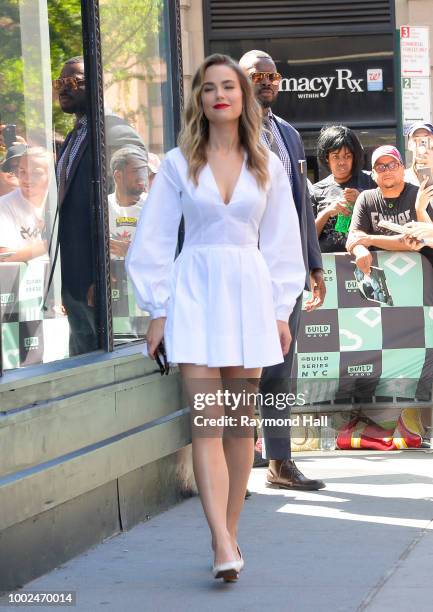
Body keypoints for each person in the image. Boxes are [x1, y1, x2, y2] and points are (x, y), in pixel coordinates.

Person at [126, 53, 305, 582]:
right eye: (209, 88)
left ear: (244, 96)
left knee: (238, 426)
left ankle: (227, 538)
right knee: (206, 422)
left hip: (249, 296)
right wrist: (157, 310)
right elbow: (153, 238)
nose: (220, 94)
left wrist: (279, 311)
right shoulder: (179, 163)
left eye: (229, 86)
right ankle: (222, 541)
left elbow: (281, 244)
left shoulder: (266, 162)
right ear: (199, 100)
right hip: (195, 295)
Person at [239, 49, 325, 491]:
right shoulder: (228, 135)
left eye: (274, 76)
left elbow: (300, 204)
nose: (269, 82)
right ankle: (236, 471)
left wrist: (313, 263)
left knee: (279, 368)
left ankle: (280, 461)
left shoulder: (288, 134)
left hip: (284, 270)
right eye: (259, 75)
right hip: (241, 268)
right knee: (240, 371)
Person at [54, 56, 146, 356]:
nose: (63, 89)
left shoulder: (115, 132)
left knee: (102, 366)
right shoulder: (75, 135)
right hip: (76, 277)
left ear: (97, 85)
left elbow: (131, 201)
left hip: (103, 282)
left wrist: (103, 272)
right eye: (60, 83)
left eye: (73, 81)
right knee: (80, 361)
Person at [346, 145, 433, 273]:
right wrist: (360, 250)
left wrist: (369, 239)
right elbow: (353, 239)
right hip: (381, 275)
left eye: (393, 165)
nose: (387, 171)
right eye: (380, 167)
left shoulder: (419, 194)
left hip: (421, 275)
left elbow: (420, 240)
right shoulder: (366, 198)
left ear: (403, 169)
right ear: (373, 174)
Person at [311, 125, 376, 252]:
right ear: (326, 158)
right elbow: (308, 237)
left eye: (347, 156)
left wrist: (362, 200)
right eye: (336, 156)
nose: (342, 162)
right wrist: (327, 212)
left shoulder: (371, 181)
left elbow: (385, 221)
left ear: (354, 157)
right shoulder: (316, 190)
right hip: (329, 266)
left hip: (367, 260)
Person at [0, 147, 50, 262]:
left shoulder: (60, 201)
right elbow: (4, 256)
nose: (27, 179)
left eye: (36, 173)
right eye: (22, 171)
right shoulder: (4, 205)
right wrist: (51, 243)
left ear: (51, 174)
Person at [108, 146, 149, 260]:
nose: (143, 177)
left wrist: (130, 252)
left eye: (144, 170)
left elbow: (163, 253)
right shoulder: (103, 207)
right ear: (118, 176)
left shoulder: (153, 206)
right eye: (136, 171)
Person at [404, 122, 433, 187]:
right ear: (409, 145)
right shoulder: (402, 178)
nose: (421, 145)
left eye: (426, 139)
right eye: (416, 139)